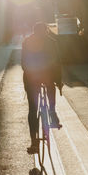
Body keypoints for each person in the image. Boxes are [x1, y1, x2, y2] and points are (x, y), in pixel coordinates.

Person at [21, 22, 62, 154]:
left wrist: (29, 74)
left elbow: (23, 62)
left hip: (31, 78)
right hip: (47, 76)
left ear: (34, 31)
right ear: (45, 31)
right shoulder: (51, 41)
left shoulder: (27, 41)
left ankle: (34, 143)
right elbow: (57, 62)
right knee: (51, 87)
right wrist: (59, 81)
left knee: (32, 110)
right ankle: (52, 112)